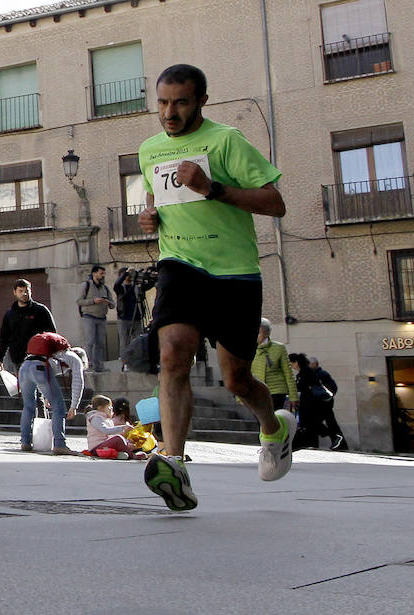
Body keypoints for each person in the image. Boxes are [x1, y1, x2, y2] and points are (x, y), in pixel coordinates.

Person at [137, 64, 291, 512]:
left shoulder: (226, 141)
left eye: (180, 102)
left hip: (234, 273)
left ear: (202, 101)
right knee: (172, 356)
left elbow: (275, 203)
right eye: (163, 102)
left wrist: (213, 189)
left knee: (237, 380)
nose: (169, 112)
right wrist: (149, 219)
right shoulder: (150, 150)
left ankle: (274, 430)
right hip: (180, 265)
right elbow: (156, 201)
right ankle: (175, 464)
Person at [17, 330, 85, 456]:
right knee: (59, 408)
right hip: (39, 368)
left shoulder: (55, 354)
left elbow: (46, 374)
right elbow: (78, 382)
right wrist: (74, 406)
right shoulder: (75, 359)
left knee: (28, 406)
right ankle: (60, 445)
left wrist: (48, 397)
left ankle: (25, 442)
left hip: (24, 367)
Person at [0, 279, 57, 374]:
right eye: (21, 291)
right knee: (23, 387)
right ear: (15, 292)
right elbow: (4, 338)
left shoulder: (40, 310)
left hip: (38, 358)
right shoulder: (10, 314)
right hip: (18, 359)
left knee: (40, 385)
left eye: (27, 291)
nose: (24, 294)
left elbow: (52, 333)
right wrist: (0, 359)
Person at [251, 319, 295, 412]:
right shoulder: (249, 348)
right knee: (261, 419)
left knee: (273, 417)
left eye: (258, 332)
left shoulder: (279, 348)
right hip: (257, 391)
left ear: (267, 333)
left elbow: (288, 373)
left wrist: (293, 396)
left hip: (277, 391)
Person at [76, 265, 113, 371]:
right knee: (90, 342)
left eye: (104, 273)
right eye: (101, 273)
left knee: (100, 343)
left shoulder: (104, 288)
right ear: (94, 273)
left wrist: (108, 302)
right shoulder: (86, 285)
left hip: (102, 318)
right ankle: (87, 365)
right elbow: (79, 301)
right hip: (89, 317)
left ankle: (99, 366)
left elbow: (113, 304)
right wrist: (93, 301)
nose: (103, 276)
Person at [86, 395, 145, 459]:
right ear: (100, 408)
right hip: (96, 448)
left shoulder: (107, 419)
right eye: (109, 408)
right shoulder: (95, 418)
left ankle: (118, 454)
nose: (111, 410)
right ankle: (132, 455)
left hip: (105, 445)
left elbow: (112, 435)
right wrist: (122, 427)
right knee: (118, 438)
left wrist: (126, 442)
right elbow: (106, 431)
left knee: (121, 439)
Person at [308, 356, 347, 450]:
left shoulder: (322, 374)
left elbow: (333, 388)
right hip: (320, 404)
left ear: (314, 365)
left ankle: (338, 441)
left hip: (324, 404)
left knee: (325, 423)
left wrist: (327, 398)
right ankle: (338, 442)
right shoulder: (312, 375)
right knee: (326, 423)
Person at [113, 267, 141, 370]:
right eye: (127, 275)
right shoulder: (120, 288)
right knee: (125, 342)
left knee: (138, 341)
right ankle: (125, 363)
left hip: (137, 318)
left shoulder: (136, 287)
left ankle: (138, 362)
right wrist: (125, 274)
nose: (129, 277)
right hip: (124, 318)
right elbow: (116, 285)